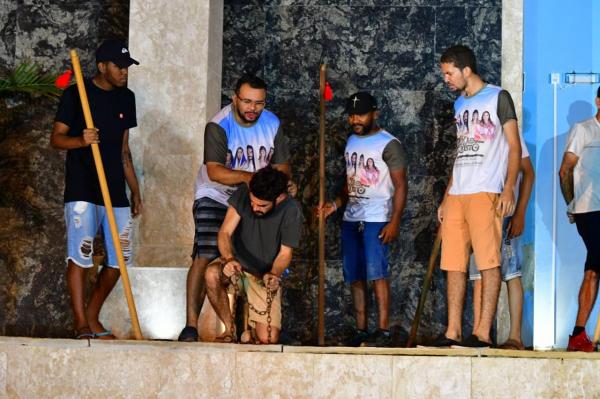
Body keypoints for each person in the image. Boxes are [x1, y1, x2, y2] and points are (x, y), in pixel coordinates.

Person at [178, 74, 291, 342]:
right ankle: (191, 325)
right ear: (235, 99)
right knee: (206, 253)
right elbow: (215, 171)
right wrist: (252, 178)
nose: (253, 108)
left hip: (253, 196)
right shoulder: (219, 125)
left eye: (259, 103)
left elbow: (284, 167)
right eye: (247, 101)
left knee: (253, 255)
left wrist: (278, 186)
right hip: (216, 194)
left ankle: (246, 328)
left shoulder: (273, 123)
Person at [50, 39, 142, 339]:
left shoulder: (126, 98)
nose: (124, 72)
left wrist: (135, 192)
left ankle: (92, 315)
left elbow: (124, 150)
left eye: (127, 67)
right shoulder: (76, 94)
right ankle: (80, 323)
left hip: (115, 191)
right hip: (83, 190)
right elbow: (56, 139)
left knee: (119, 261)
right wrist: (81, 140)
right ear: (102, 66)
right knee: (81, 256)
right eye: (119, 67)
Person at [431, 45, 522, 348]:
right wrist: (446, 196)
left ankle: (483, 332)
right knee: (454, 263)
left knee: (488, 261)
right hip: (459, 191)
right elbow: (460, 153)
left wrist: (509, 187)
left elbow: (514, 146)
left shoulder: (498, 96)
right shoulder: (459, 104)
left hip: (486, 190)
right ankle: (453, 330)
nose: (446, 78)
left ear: (466, 70)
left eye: (449, 72)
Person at [321, 92, 408, 347]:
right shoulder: (351, 141)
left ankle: (382, 330)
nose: (355, 119)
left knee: (376, 273)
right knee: (355, 275)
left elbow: (401, 186)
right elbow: (352, 182)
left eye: (361, 114)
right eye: (351, 115)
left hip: (377, 216)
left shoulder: (388, 144)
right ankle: (361, 329)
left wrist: (394, 221)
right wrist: (335, 205)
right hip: (351, 217)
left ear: (375, 113)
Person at [204, 166, 302, 343]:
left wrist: (275, 274)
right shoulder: (244, 191)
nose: (255, 207)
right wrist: (228, 259)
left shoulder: (291, 209)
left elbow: (285, 253)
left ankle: (252, 332)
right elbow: (225, 232)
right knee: (211, 274)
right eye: (252, 203)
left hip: (263, 275)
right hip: (238, 267)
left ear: (279, 198)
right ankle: (229, 329)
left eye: (262, 205)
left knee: (268, 339)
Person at [468, 132, 534, 350]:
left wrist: (520, 213)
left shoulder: (512, 137)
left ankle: (516, 337)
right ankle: (479, 333)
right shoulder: (476, 135)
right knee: (478, 272)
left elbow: (528, 174)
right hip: (478, 211)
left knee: (511, 272)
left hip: (502, 212)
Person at [560, 86, 600, 352]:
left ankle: (578, 335)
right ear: (598, 101)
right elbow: (565, 170)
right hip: (589, 210)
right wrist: (571, 205)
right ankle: (579, 335)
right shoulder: (583, 129)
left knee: (593, 270)